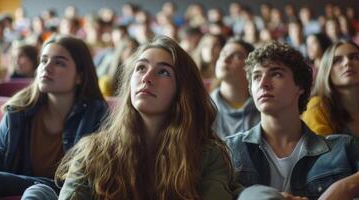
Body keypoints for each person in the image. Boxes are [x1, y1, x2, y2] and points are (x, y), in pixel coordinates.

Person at [53, 36, 241, 199]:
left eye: (163, 72)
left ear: (182, 90)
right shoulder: (93, 152)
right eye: (141, 68)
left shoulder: (207, 155)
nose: (147, 78)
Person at [0, 35, 108, 199]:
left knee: (36, 192)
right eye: (43, 60)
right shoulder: (19, 110)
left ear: (80, 76)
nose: (47, 67)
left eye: (59, 63)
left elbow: (87, 183)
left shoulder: (96, 115)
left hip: (67, 193)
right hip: (15, 187)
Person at [226, 42, 359, 199]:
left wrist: (344, 188)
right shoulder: (230, 149)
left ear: (300, 87)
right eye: (257, 77)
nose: (263, 84)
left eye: (276, 74)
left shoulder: (340, 148)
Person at [302, 41, 359, 151]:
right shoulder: (317, 108)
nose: (347, 63)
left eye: (354, 57)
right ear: (327, 72)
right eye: (337, 60)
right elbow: (327, 159)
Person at [211, 39, 260, 138]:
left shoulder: (263, 108)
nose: (225, 59)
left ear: (250, 66)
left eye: (237, 56)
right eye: (223, 54)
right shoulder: (203, 107)